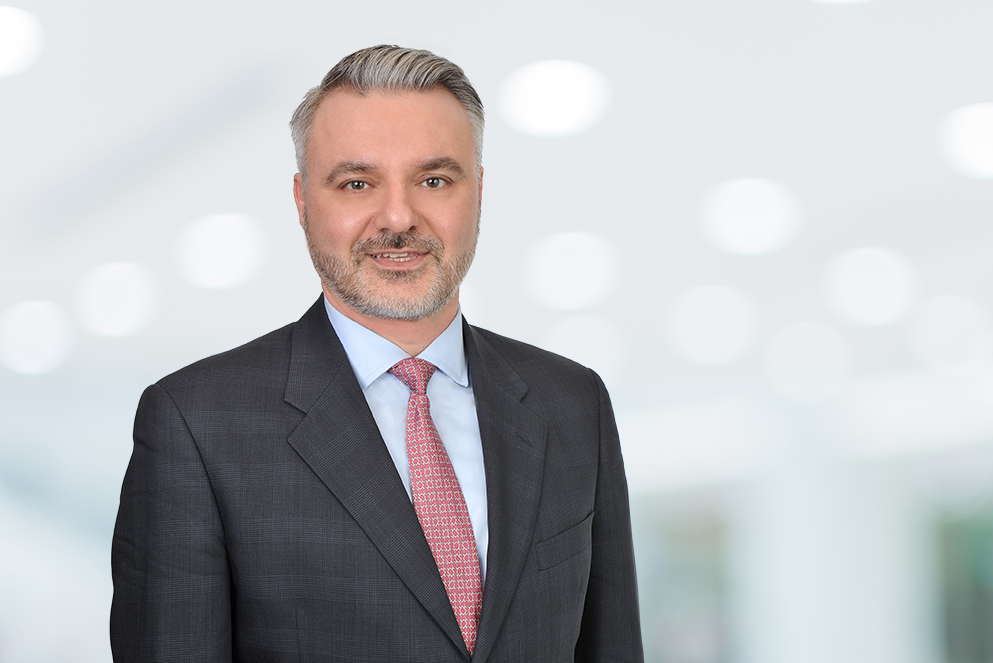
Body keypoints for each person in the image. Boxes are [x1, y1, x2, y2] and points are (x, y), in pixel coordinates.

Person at [110, 45, 643, 662]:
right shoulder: (196, 423)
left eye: (434, 180)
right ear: (302, 201)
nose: (397, 217)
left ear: (478, 193)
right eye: (356, 183)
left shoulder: (572, 404)